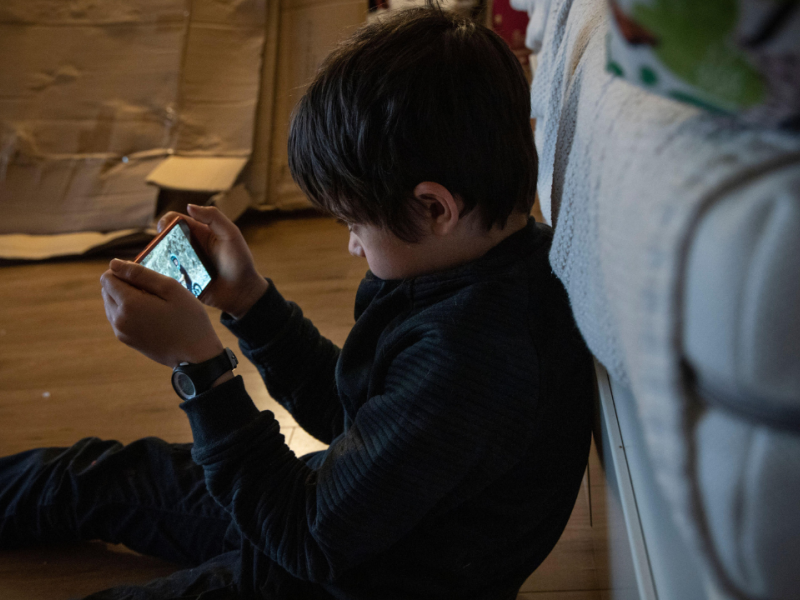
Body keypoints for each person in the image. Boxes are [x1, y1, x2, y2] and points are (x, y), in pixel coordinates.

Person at [0, 7, 594, 599]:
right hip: (333, 520)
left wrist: (200, 368)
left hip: (339, 572)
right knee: (94, 476)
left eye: (354, 222)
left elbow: (307, 539)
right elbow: (353, 413)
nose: (351, 245)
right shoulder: (484, 267)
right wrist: (249, 301)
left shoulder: (477, 360)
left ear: (434, 208)